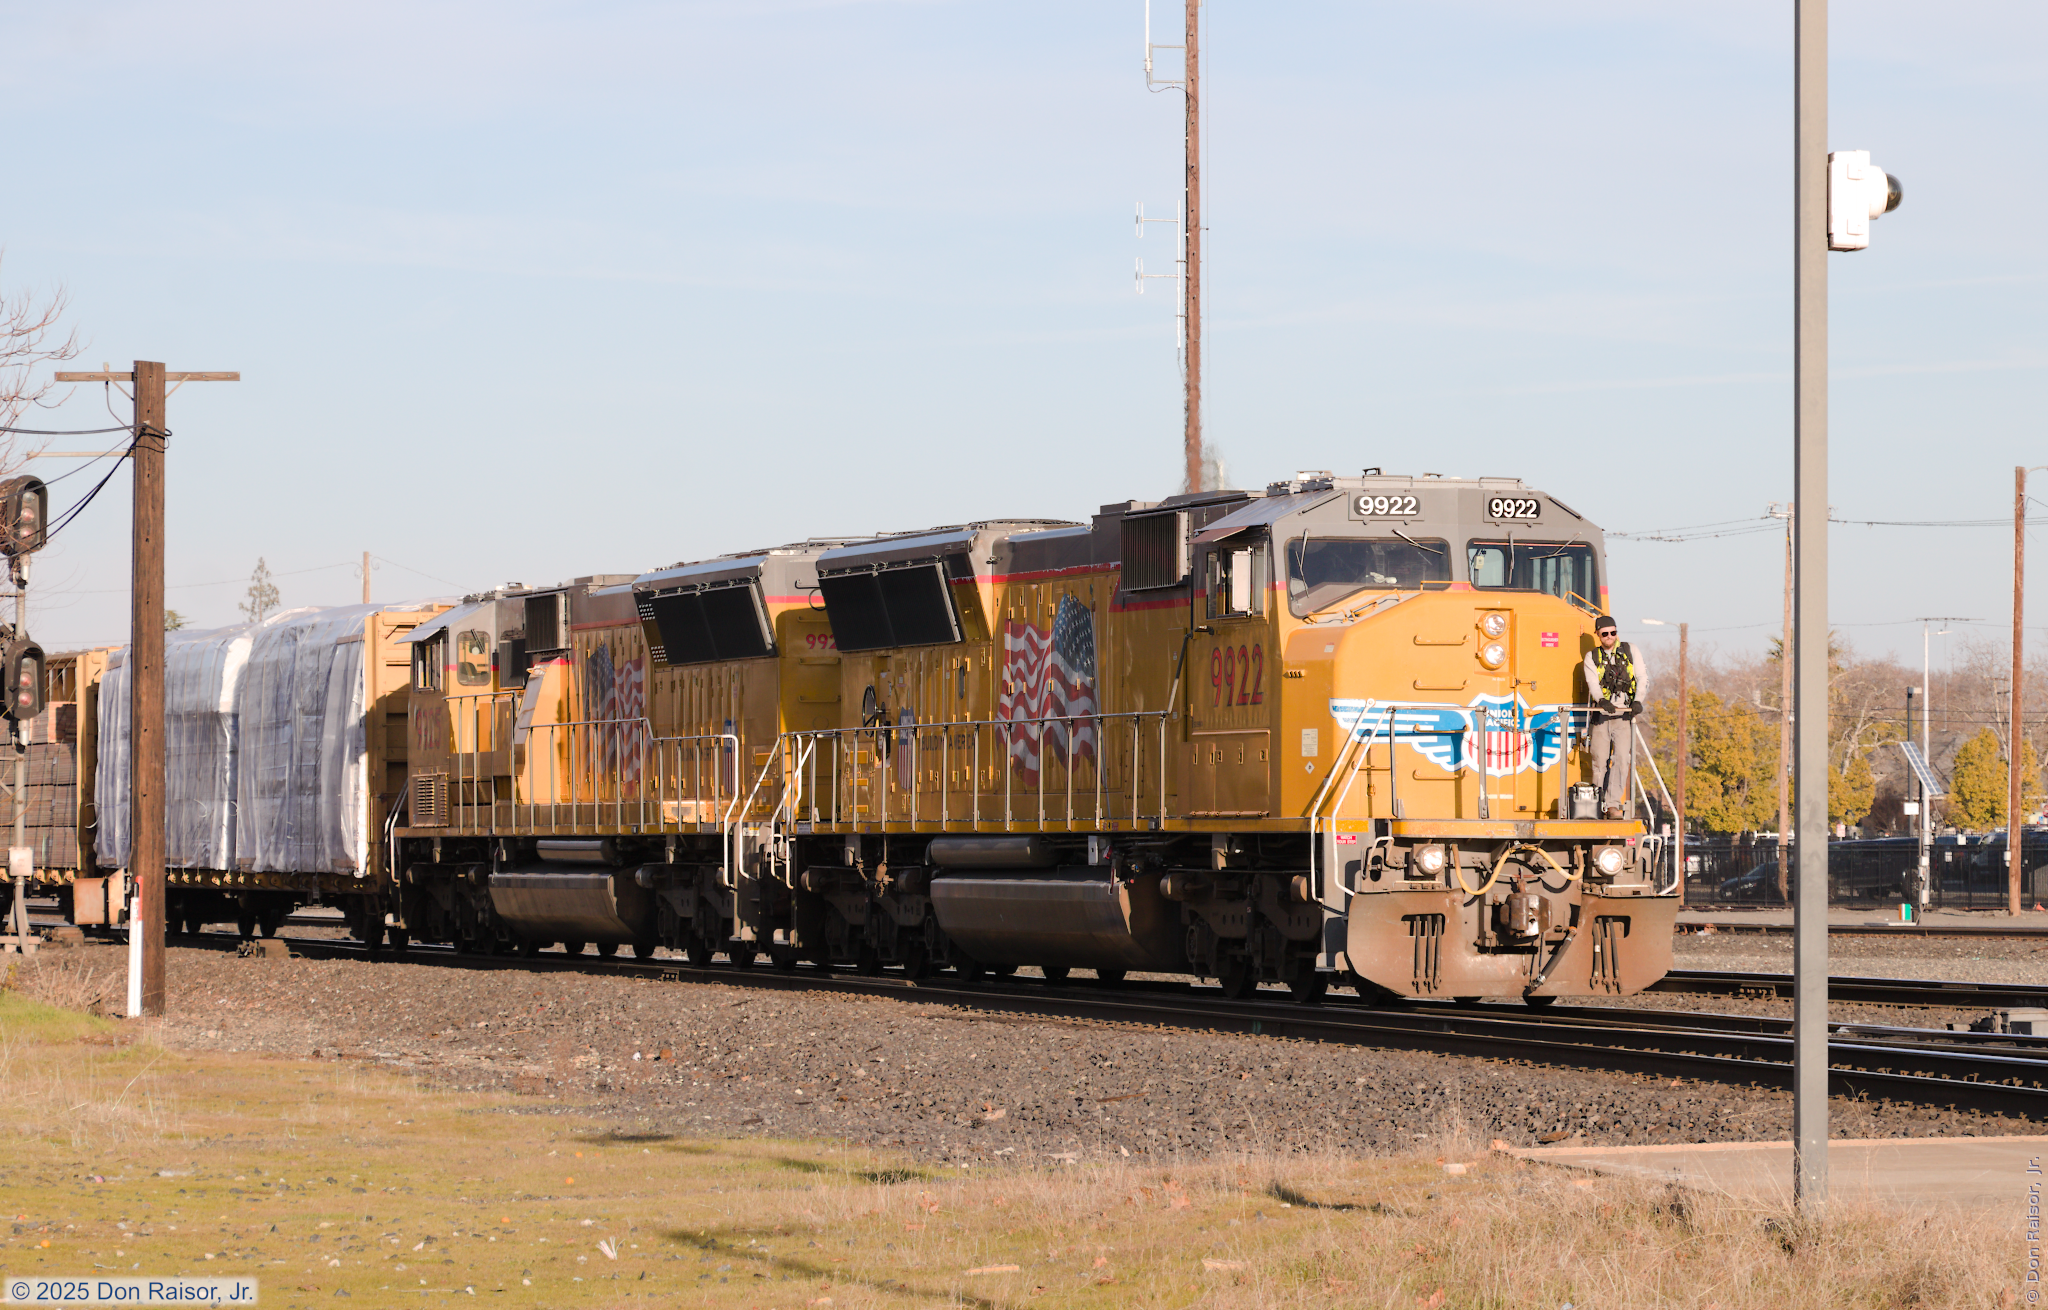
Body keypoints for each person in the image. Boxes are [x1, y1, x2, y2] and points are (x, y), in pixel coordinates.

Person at [1582, 616, 1643, 821]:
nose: (1609, 636)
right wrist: (1601, 700)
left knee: (1622, 759)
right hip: (1601, 716)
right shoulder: (1592, 657)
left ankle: (1613, 804)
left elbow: (1642, 677)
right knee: (1599, 760)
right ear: (1598, 635)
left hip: (1624, 715)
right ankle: (1596, 803)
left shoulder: (1630, 650)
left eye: (1613, 632)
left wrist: (1638, 701)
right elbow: (1592, 682)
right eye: (1605, 633)